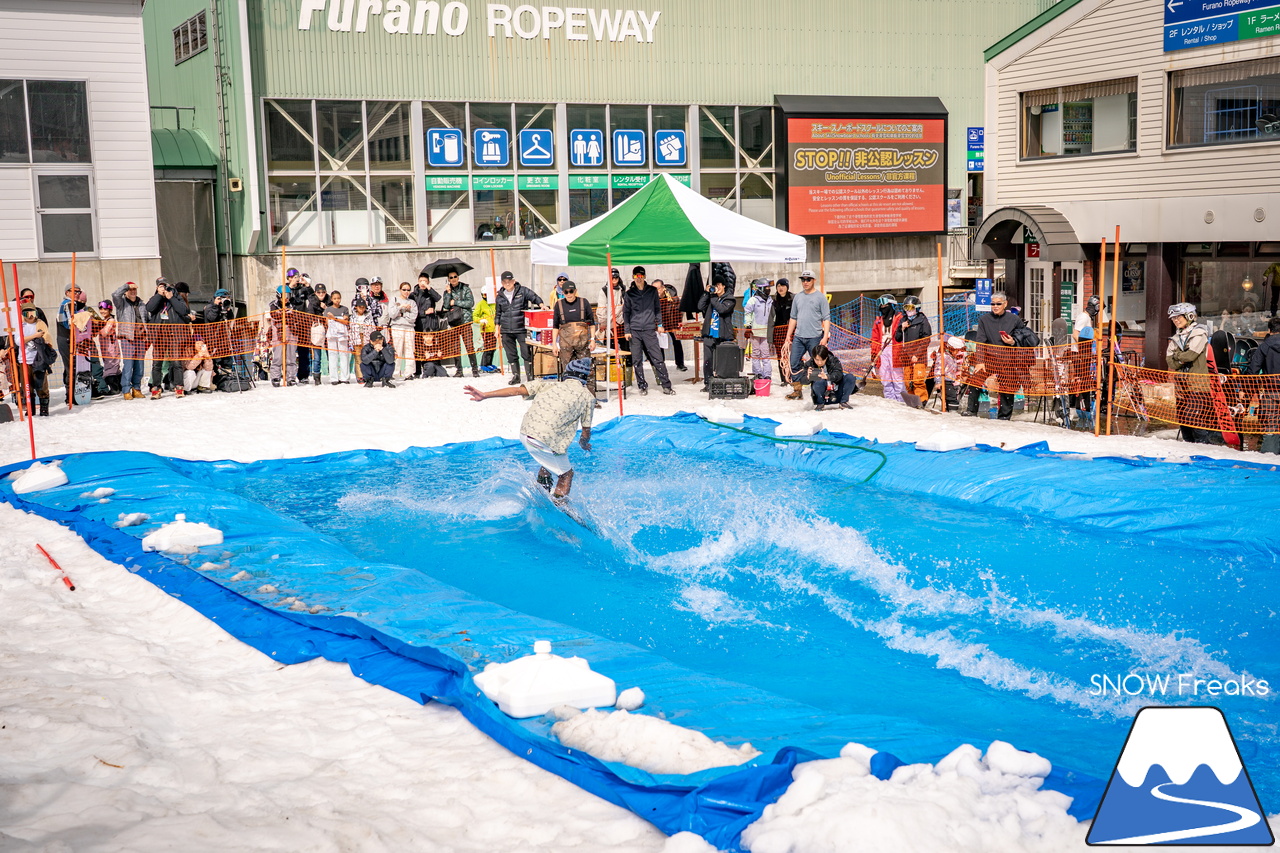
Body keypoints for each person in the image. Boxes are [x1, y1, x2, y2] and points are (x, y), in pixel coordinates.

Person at [463, 357, 595, 500]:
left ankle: (541, 495)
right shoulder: (588, 397)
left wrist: (485, 395)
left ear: (566, 373)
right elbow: (585, 431)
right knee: (566, 474)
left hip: (526, 434)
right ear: (585, 378)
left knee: (547, 462)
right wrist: (583, 444)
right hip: (546, 442)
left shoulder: (548, 384)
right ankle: (560, 506)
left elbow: (516, 390)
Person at [962, 290, 1027, 420]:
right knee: (975, 379)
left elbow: (1024, 336)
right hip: (989, 358)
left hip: (1008, 359)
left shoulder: (1014, 319)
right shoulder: (984, 320)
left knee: (1007, 387)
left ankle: (1004, 416)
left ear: (1005, 304)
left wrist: (1013, 341)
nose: (995, 306)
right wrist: (980, 361)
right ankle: (971, 411)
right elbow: (980, 341)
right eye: (993, 304)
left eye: (998, 303)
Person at [1166, 301, 1221, 445]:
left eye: (1179, 317)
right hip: (1181, 384)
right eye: (1173, 318)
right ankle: (1188, 445)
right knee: (1183, 417)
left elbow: (1190, 356)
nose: (1175, 320)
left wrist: (1177, 355)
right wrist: (1179, 359)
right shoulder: (1175, 337)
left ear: (1189, 316)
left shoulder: (1199, 333)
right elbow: (1169, 362)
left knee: (1193, 416)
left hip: (1197, 384)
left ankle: (1203, 445)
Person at [622, 266, 674, 396]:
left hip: (649, 329)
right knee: (637, 360)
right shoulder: (629, 293)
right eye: (636, 276)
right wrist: (627, 330)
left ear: (644, 276)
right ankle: (642, 385)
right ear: (633, 277)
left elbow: (657, 308)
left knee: (657, 358)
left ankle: (666, 385)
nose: (638, 279)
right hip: (634, 330)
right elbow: (626, 313)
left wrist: (660, 324)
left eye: (641, 276)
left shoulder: (652, 291)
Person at [783, 270, 830, 400]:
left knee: (816, 363)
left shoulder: (820, 297)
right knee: (793, 362)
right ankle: (797, 390)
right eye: (803, 279)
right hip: (799, 336)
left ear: (814, 280)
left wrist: (825, 336)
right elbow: (793, 317)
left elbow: (826, 318)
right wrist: (788, 335)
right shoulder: (798, 297)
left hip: (815, 336)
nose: (805, 282)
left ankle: (816, 391)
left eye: (808, 279)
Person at [495, 270, 544, 386]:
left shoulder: (522, 290)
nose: (507, 284)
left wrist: (541, 305)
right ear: (502, 283)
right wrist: (497, 327)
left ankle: (529, 375)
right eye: (505, 282)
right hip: (506, 330)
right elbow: (498, 313)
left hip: (521, 328)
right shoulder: (500, 296)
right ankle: (516, 375)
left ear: (513, 281)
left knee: (526, 352)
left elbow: (534, 297)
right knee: (510, 354)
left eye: (509, 281)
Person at [146, 278, 192, 398]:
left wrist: (171, 297)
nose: (164, 288)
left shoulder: (176, 296)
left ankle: (179, 387)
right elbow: (149, 308)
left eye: (165, 285)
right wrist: (159, 296)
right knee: (157, 363)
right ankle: (156, 388)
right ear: (157, 287)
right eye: (161, 286)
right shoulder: (156, 298)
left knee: (176, 362)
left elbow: (184, 310)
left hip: (174, 334)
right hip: (159, 335)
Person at [552, 279, 595, 388]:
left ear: (575, 291)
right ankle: (570, 396)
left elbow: (592, 324)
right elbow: (555, 326)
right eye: (566, 292)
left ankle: (591, 397)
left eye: (571, 291)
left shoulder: (583, 302)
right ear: (562, 292)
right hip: (566, 345)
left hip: (583, 344)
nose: (569, 294)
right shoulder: (558, 305)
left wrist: (593, 340)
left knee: (588, 370)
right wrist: (554, 344)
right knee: (568, 372)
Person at [1248, 315, 1280, 454]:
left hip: (1271, 391)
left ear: (1269, 330)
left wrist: (1249, 391)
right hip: (1271, 390)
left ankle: (1269, 456)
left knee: (1271, 425)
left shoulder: (1264, 346)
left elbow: (1253, 370)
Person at [698, 274, 736, 391]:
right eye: (715, 285)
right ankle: (708, 383)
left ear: (724, 286)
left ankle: (721, 381)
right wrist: (706, 293)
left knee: (721, 360)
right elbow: (700, 306)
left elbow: (722, 309)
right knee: (708, 360)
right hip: (709, 334)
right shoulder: (711, 297)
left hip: (722, 335)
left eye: (719, 285)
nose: (717, 287)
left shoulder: (730, 298)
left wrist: (713, 297)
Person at [111, 281, 148, 399]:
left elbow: (147, 318)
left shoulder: (142, 304)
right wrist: (126, 286)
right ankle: (126, 389)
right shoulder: (121, 303)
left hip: (140, 337)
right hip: (127, 338)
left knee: (140, 365)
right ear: (126, 291)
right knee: (128, 364)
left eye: (134, 290)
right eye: (130, 290)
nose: (133, 292)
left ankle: (136, 388)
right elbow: (115, 295)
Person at [16, 303, 55, 416]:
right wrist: (35, 336)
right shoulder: (20, 325)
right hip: (25, 360)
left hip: (39, 359)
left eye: (33, 313)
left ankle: (44, 407)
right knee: (27, 386)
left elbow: (47, 337)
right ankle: (30, 407)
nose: (30, 316)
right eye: (27, 313)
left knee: (41, 385)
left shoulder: (40, 323)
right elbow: (19, 341)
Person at [441, 270, 479, 377]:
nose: (453, 279)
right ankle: (459, 370)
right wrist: (448, 294)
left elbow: (470, 303)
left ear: (458, 277)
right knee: (455, 347)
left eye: (455, 276)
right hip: (453, 322)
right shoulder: (447, 291)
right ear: (448, 279)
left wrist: (456, 302)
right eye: (451, 277)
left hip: (465, 322)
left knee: (469, 346)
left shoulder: (465, 288)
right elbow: (446, 306)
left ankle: (474, 370)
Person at [895, 294, 933, 399]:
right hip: (906, 355)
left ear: (916, 308)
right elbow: (897, 338)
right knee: (908, 381)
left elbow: (926, 339)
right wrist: (900, 328)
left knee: (918, 380)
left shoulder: (922, 320)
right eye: (906, 308)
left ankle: (922, 400)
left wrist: (917, 354)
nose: (908, 311)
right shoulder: (903, 320)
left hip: (918, 356)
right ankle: (912, 399)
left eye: (911, 308)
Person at [55, 283, 86, 404]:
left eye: (79, 292)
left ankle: (71, 394)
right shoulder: (69, 304)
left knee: (70, 366)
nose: (78, 294)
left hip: (66, 338)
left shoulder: (71, 304)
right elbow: (69, 323)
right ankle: (71, 396)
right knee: (71, 367)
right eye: (75, 291)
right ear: (67, 292)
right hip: (66, 338)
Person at [870, 294, 904, 402]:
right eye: (880, 305)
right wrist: (874, 355)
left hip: (896, 349)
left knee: (897, 376)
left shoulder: (900, 318)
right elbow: (874, 338)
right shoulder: (878, 321)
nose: (882, 307)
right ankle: (890, 400)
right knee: (885, 375)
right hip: (882, 349)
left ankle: (901, 400)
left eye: (885, 305)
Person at [265, 285, 299, 387]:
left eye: (288, 295)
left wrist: (287, 314)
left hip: (291, 332)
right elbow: (275, 315)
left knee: (291, 357)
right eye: (284, 296)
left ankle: (291, 377)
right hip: (278, 333)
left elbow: (295, 316)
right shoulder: (274, 305)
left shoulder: (292, 305)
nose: (286, 298)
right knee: (278, 356)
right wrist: (285, 314)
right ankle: (275, 376)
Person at [805, 344, 856, 411]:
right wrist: (807, 377)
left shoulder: (834, 360)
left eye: (822, 360)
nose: (819, 362)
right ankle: (820, 404)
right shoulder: (810, 364)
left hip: (836, 391)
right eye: (817, 360)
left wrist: (827, 376)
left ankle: (843, 402)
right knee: (819, 380)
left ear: (826, 357)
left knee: (850, 377)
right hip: (821, 394)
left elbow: (839, 374)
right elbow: (801, 380)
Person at [410, 273, 441, 377]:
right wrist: (424, 312)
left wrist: (429, 288)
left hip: (431, 323)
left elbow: (438, 298)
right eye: (421, 281)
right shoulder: (413, 294)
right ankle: (418, 371)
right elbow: (413, 311)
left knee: (434, 345)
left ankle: (435, 368)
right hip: (419, 323)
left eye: (425, 281)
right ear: (418, 282)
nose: (422, 283)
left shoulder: (430, 293)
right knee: (418, 347)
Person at [387, 282, 419, 380]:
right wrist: (401, 307)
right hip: (397, 327)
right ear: (400, 290)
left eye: (408, 290)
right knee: (397, 350)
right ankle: (395, 373)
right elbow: (392, 314)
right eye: (404, 289)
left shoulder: (412, 302)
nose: (406, 292)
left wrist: (403, 314)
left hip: (409, 327)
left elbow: (413, 317)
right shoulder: (395, 300)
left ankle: (409, 373)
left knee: (410, 350)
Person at [743, 279, 773, 380]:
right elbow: (747, 312)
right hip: (755, 331)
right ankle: (757, 373)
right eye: (766, 288)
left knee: (765, 353)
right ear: (761, 289)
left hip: (765, 331)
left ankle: (767, 374)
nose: (768, 290)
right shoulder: (753, 300)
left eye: (769, 288)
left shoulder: (770, 300)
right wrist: (748, 325)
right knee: (756, 353)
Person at [656, 278, 686, 372]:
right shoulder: (652, 298)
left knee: (677, 342)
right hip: (660, 323)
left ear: (663, 288)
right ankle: (661, 364)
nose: (657, 291)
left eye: (658, 288)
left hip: (672, 323)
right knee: (660, 343)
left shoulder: (673, 297)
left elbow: (679, 311)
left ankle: (680, 363)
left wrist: (677, 324)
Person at [324, 290, 352, 384]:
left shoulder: (344, 309)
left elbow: (346, 321)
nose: (337, 300)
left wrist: (335, 319)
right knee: (332, 355)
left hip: (342, 334)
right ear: (331, 299)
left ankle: (345, 377)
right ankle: (334, 378)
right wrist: (336, 319)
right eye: (335, 298)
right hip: (332, 334)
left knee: (344, 355)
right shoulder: (328, 310)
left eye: (338, 298)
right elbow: (327, 322)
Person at [349, 297, 377, 383]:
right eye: (359, 306)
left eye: (363, 307)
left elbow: (373, 328)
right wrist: (350, 342)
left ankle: (367, 375)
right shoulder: (353, 317)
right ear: (356, 307)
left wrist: (373, 340)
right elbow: (350, 329)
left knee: (367, 357)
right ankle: (360, 376)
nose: (361, 308)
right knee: (358, 359)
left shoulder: (368, 316)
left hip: (366, 339)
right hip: (356, 339)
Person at [771, 278, 793, 379]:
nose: (780, 288)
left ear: (787, 287)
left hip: (791, 331)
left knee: (792, 355)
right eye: (778, 286)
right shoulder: (774, 301)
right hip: (778, 332)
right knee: (780, 356)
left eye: (783, 286)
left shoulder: (793, 299)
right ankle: (783, 378)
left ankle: (793, 376)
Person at [475, 288, 498, 372]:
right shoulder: (481, 304)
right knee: (487, 347)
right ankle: (484, 364)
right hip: (486, 329)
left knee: (493, 347)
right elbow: (474, 316)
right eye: (485, 295)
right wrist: (481, 320)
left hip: (494, 329)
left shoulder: (494, 303)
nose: (486, 297)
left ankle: (489, 363)